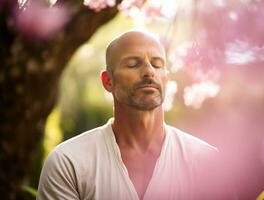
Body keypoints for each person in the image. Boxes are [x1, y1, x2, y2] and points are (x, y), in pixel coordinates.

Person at [37, 30, 229, 200]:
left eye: (157, 64)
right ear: (108, 81)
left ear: (167, 78)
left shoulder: (207, 162)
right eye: (133, 64)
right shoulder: (69, 163)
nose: (149, 72)